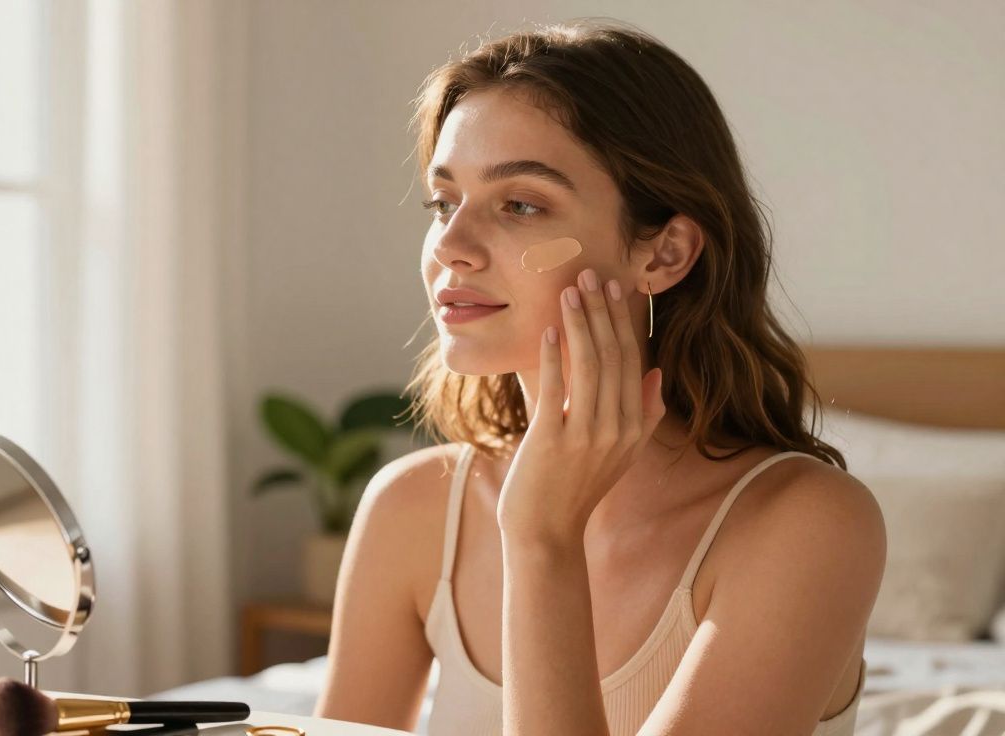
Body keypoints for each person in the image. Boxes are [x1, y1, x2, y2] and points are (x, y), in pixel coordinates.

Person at [314, 19, 886, 736]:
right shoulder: (413, 508)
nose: (450, 247)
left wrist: (542, 538)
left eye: (520, 204)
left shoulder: (805, 524)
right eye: (443, 201)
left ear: (665, 253)